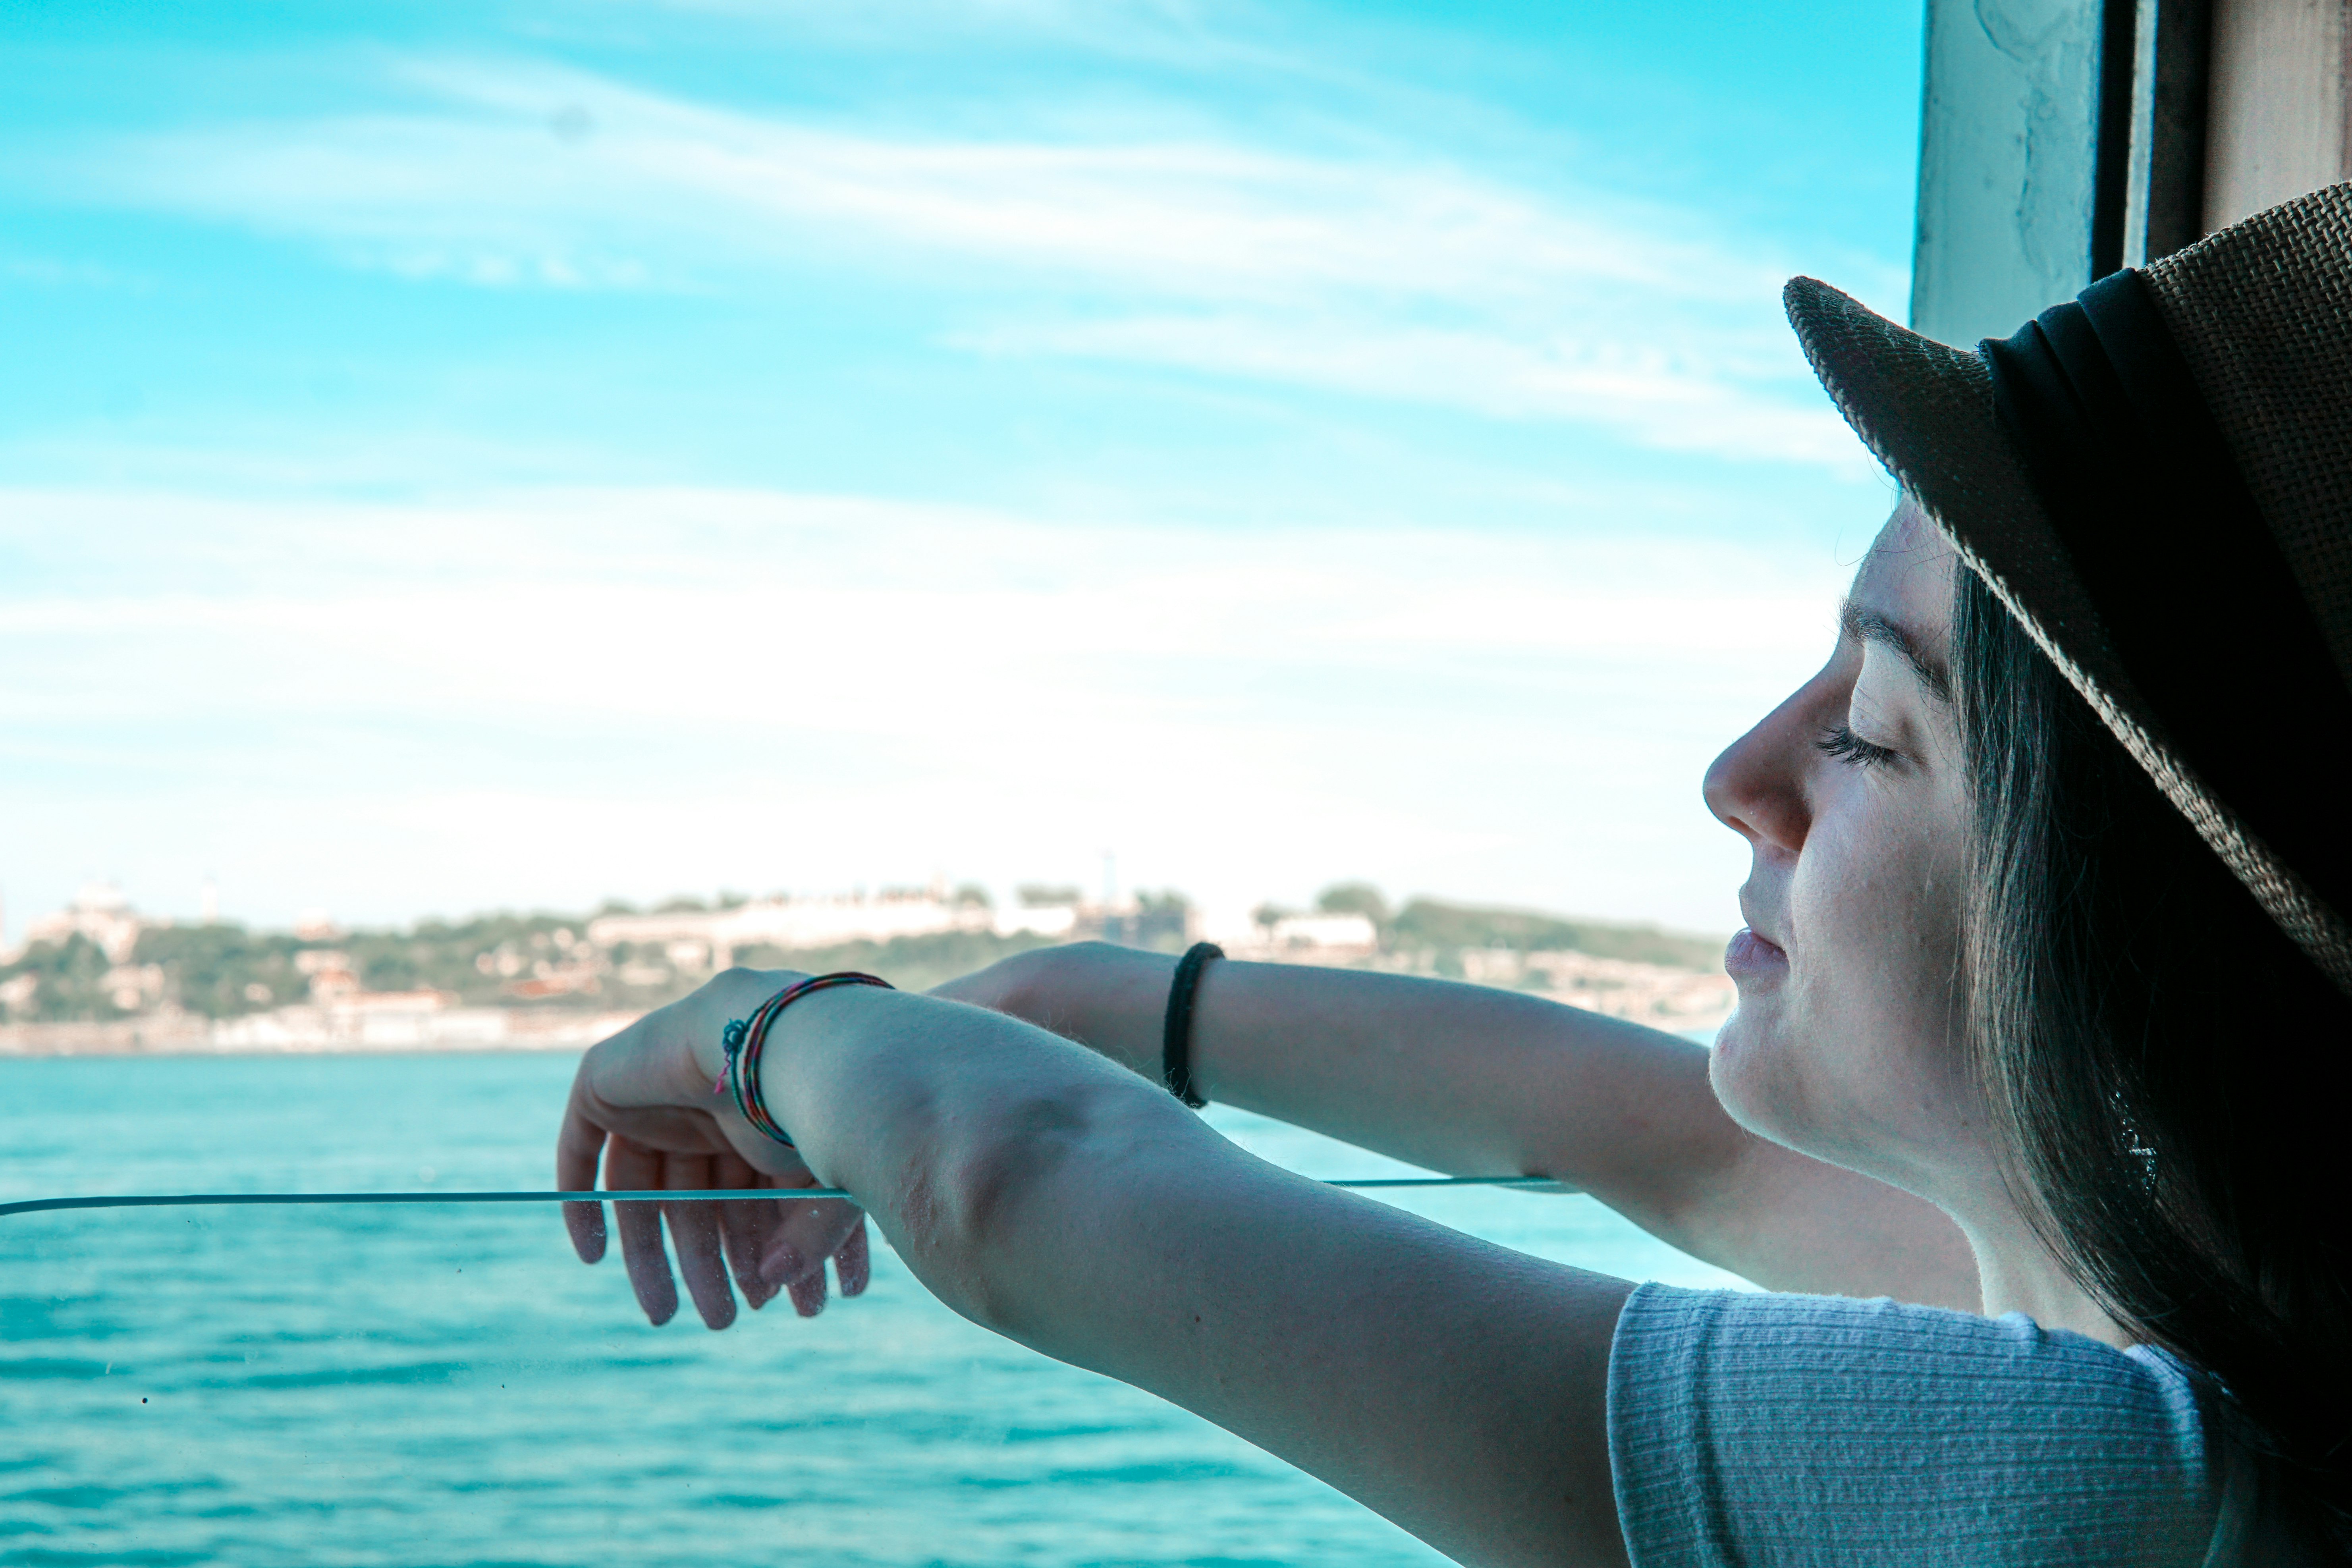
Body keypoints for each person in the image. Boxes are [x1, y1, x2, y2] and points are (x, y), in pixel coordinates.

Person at [555, 184, 2352, 1564]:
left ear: (2116, 936)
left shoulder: (2099, 1482)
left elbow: (1009, 1178)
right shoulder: (2240, 1344)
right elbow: (1630, 1127)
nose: (1736, 777)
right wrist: (1060, 995)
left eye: (1871, 727)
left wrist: (748, 1027)